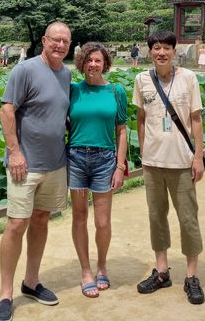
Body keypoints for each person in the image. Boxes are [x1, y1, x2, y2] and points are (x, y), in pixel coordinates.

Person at [0, 22, 72, 321]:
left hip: (55, 163)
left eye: (65, 41)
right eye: (55, 40)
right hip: (24, 164)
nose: (60, 46)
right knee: (16, 224)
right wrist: (14, 152)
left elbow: (60, 113)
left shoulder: (65, 73)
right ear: (44, 40)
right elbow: (6, 109)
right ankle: (5, 293)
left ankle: (31, 281)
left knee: (41, 219)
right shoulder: (24, 70)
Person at [133, 30, 205, 305]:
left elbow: (196, 120)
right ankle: (162, 271)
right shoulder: (141, 80)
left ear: (174, 51)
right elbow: (141, 118)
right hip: (153, 162)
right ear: (150, 51)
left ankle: (191, 276)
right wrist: (142, 151)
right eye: (156, 48)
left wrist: (198, 157)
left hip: (181, 161)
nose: (161, 52)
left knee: (188, 219)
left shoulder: (188, 78)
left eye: (166, 48)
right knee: (156, 217)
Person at [68, 42, 128, 298]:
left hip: (105, 160)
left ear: (105, 64)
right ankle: (85, 271)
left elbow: (122, 130)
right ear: (82, 63)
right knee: (79, 217)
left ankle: (102, 266)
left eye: (98, 60)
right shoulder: (72, 91)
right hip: (76, 158)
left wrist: (120, 166)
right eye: (89, 60)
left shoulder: (116, 91)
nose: (93, 64)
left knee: (102, 221)